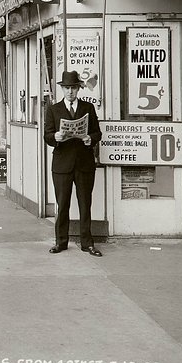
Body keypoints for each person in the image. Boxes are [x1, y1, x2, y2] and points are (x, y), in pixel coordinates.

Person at [44, 70, 103, 257]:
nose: (70, 92)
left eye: (73, 88)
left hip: (84, 163)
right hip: (62, 164)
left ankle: (87, 243)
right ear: (62, 89)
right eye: (67, 88)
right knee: (63, 204)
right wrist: (56, 137)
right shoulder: (53, 109)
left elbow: (97, 133)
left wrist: (89, 139)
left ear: (78, 89)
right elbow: (47, 135)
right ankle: (61, 242)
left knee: (85, 204)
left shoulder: (88, 108)